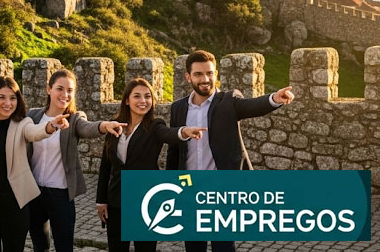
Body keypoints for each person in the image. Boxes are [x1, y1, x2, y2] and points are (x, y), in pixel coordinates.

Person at [166, 50, 295, 252]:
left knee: (223, 246)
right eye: (199, 74)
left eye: (209, 73)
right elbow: (174, 150)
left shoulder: (228, 100)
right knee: (193, 246)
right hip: (188, 186)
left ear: (215, 74)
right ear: (188, 77)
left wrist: (274, 99)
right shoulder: (178, 108)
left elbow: (251, 106)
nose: (205, 79)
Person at [96, 78, 206, 252]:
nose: (143, 101)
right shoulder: (114, 125)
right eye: (137, 96)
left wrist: (184, 131)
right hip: (116, 200)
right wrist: (101, 200)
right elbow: (105, 166)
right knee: (116, 248)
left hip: (145, 200)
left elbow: (168, 134)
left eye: (147, 96)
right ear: (127, 100)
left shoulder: (155, 125)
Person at [0, 76, 70, 252]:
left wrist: (51, 126)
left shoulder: (23, 123)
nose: (8, 103)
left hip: (14, 204)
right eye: (2, 97)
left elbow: (35, 132)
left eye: (13, 98)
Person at [26, 69, 127, 252]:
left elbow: (88, 128)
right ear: (49, 89)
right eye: (60, 88)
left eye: (70, 90)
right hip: (34, 193)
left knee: (64, 246)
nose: (65, 95)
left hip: (61, 195)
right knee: (39, 245)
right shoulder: (33, 116)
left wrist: (105, 126)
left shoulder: (74, 119)